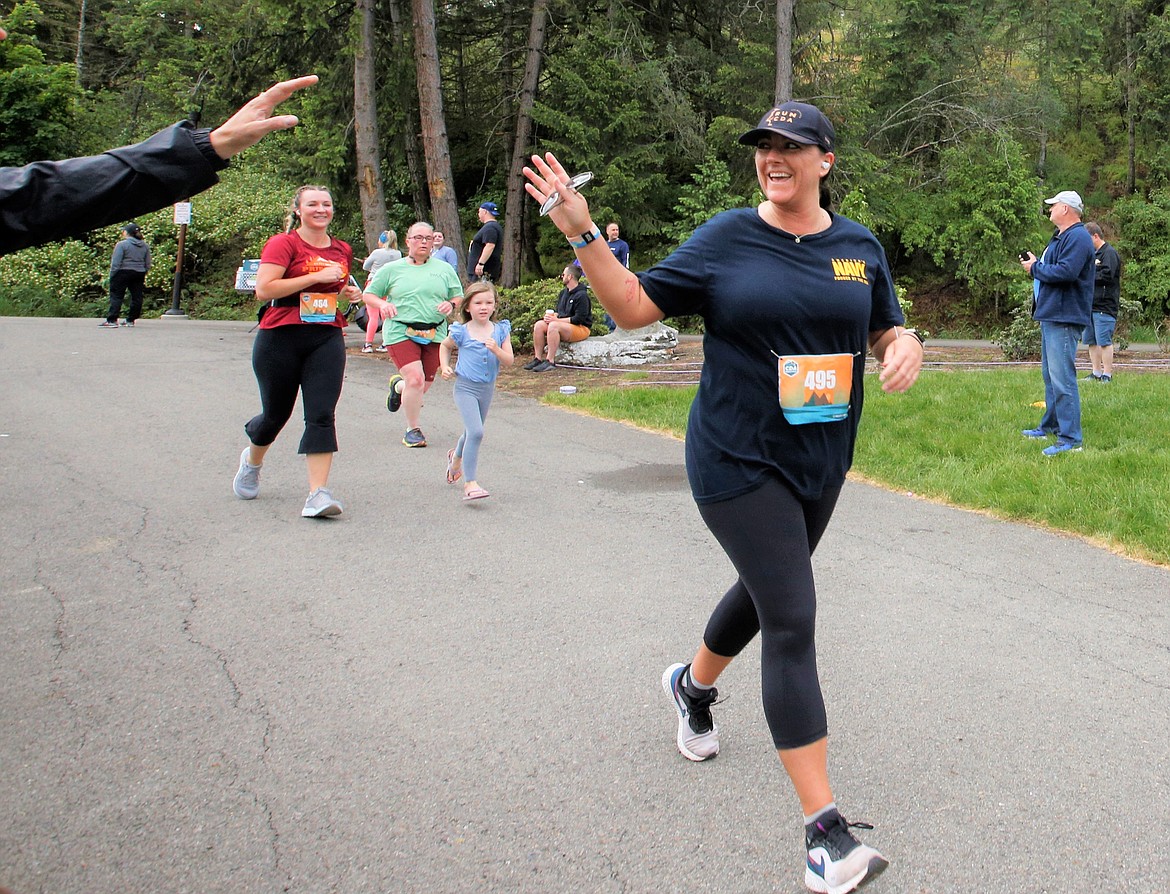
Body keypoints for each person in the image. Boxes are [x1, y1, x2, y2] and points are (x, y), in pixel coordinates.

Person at [524, 99, 924, 894]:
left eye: (792, 146)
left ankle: (691, 686)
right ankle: (825, 834)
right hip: (736, 458)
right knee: (793, 615)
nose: (774, 157)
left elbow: (884, 324)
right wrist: (582, 229)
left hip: (821, 457)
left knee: (766, 590)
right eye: (764, 146)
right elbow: (633, 306)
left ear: (824, 161)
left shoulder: (857, 247)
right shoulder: (727, 237)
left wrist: (904, 341)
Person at [0, 71, 319, 254]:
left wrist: (211, 146)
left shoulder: (335, 247)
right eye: (313, 204)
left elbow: (43, 196)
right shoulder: (283, 244)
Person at [232, 185, 361, 518]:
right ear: (299, 210)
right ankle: (252, 461)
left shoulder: (342, 249)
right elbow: (264, 289)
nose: (321, 209)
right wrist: (314, 275)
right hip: (280, 335)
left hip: (326, 336)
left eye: (327, 204)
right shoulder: (284, 243)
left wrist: (348, 292)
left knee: (320, 413)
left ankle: (318, 494)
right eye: (313, 204)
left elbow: (335, 287)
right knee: (275, 415)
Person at [362, 221, 463, 448]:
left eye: (428, 238)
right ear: (408, 241)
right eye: (418, 237)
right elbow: (369, 295)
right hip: (400, 329)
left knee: (422, 385)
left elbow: (458, 296)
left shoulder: (443, 269)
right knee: (415, 380)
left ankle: (398, 387)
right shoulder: (392, 269)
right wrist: (382, 305)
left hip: (434, 331)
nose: (423, 242)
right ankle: (413, 430)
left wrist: (451, 304)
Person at [1020, 190, 1095, 456]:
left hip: (1065, 316)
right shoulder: (1062, 237)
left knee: (1063, 379)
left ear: (1066, 209)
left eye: (1053, 205)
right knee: (1050, 377)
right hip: (1053, 314)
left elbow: (1066, 272)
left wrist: (1035, 269)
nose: (1049, 209)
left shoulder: (1078, 238)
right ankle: (1050, 426)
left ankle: (1071, 440)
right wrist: (1037, 267)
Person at [438, 281, 514, 501]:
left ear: (494, 306)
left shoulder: (500, 330)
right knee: (477, 432)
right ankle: (470, 483)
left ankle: (455, 460)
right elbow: (445, 346)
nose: (484, 307)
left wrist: (496, 349)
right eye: (478, 302)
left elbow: (509, 360)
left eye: (488, 302)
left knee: (471, 431)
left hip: (486, 389)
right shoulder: (461, 331)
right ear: (468, 307)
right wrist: (445, 366)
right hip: (465, 388)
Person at [523, 265, 593, 372]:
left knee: (553, 326)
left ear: (569, 277)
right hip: (564, 325)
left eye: (563, 275)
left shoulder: (582, 295)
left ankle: (550, 360)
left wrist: (556, 321)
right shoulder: (563, 293)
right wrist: (552, 317)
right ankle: (537, 358)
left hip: (581, 327)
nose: (562, 277)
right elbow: (560, 313)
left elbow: (578, 319)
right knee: (539, 325)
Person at [1082, 221, 1121, 383]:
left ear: (1095, 236)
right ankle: (1096, 372)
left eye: (1087, 239)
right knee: (1091, 340)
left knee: (1104, 341)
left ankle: (1107, 374)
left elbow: (1107, 275)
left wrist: (1089, 273)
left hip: (1105, 306)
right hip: (1090, 305)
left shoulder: (1109, 253)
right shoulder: (1092, 255)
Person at [101, 223, 151, 327]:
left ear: (127, 232)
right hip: (139, 272)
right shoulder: (145, 246)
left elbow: (116, 262)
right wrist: (144, 271)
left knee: (117, 296)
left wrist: (113, 275)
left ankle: (112, 320)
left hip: (123, 272)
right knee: (137, 296)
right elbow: (148, 262)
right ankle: (130, 320)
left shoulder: (122, 245)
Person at [359, 230, 401, 352]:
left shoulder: (377, 252)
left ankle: (368, 344)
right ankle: (385, 343)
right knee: (385, 315)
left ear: (382, 241)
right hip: (388, 286)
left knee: (373, 316)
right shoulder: (398, 254)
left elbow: (365, 266)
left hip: (374, 284)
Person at [602, 221, 630, 332]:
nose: (615, 232)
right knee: (605, 303)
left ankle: (614, 328)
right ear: (607, 231)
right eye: (613, 230)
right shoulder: (604, 244)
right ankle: (604, 327)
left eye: (617, 230)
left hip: (617, 279)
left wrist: (623, 277)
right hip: (604, 279)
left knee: (615, 303)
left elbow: (626, 262)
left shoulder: (622, 245)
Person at [467, 201, 502, 282]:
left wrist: (481, 264)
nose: (478, 215)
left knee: (480, 293)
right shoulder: (492, 226)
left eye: (479, 212)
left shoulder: (490, 227)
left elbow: (490, 245)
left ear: (485, 212)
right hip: (482, 271)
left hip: (483, 271)